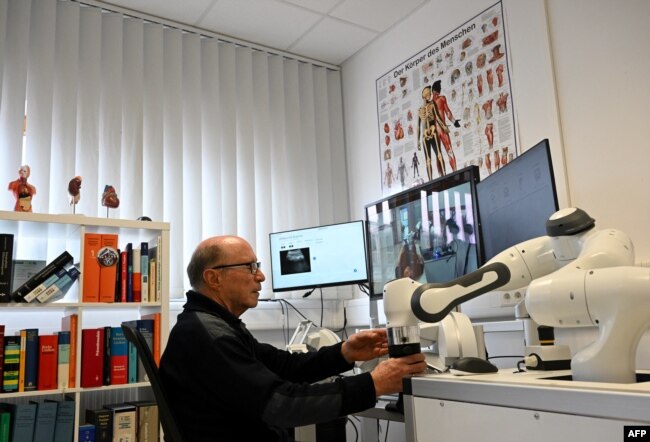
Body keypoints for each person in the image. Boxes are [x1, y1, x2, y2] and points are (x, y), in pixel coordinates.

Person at [159, 235, 426, 442]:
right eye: (250, 267)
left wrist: (345, 352)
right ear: (213, 278)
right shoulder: (208, 336)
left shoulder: (213, 325)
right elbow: (281, 404)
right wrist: (373, 383)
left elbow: (283, 365)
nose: (261, 276)